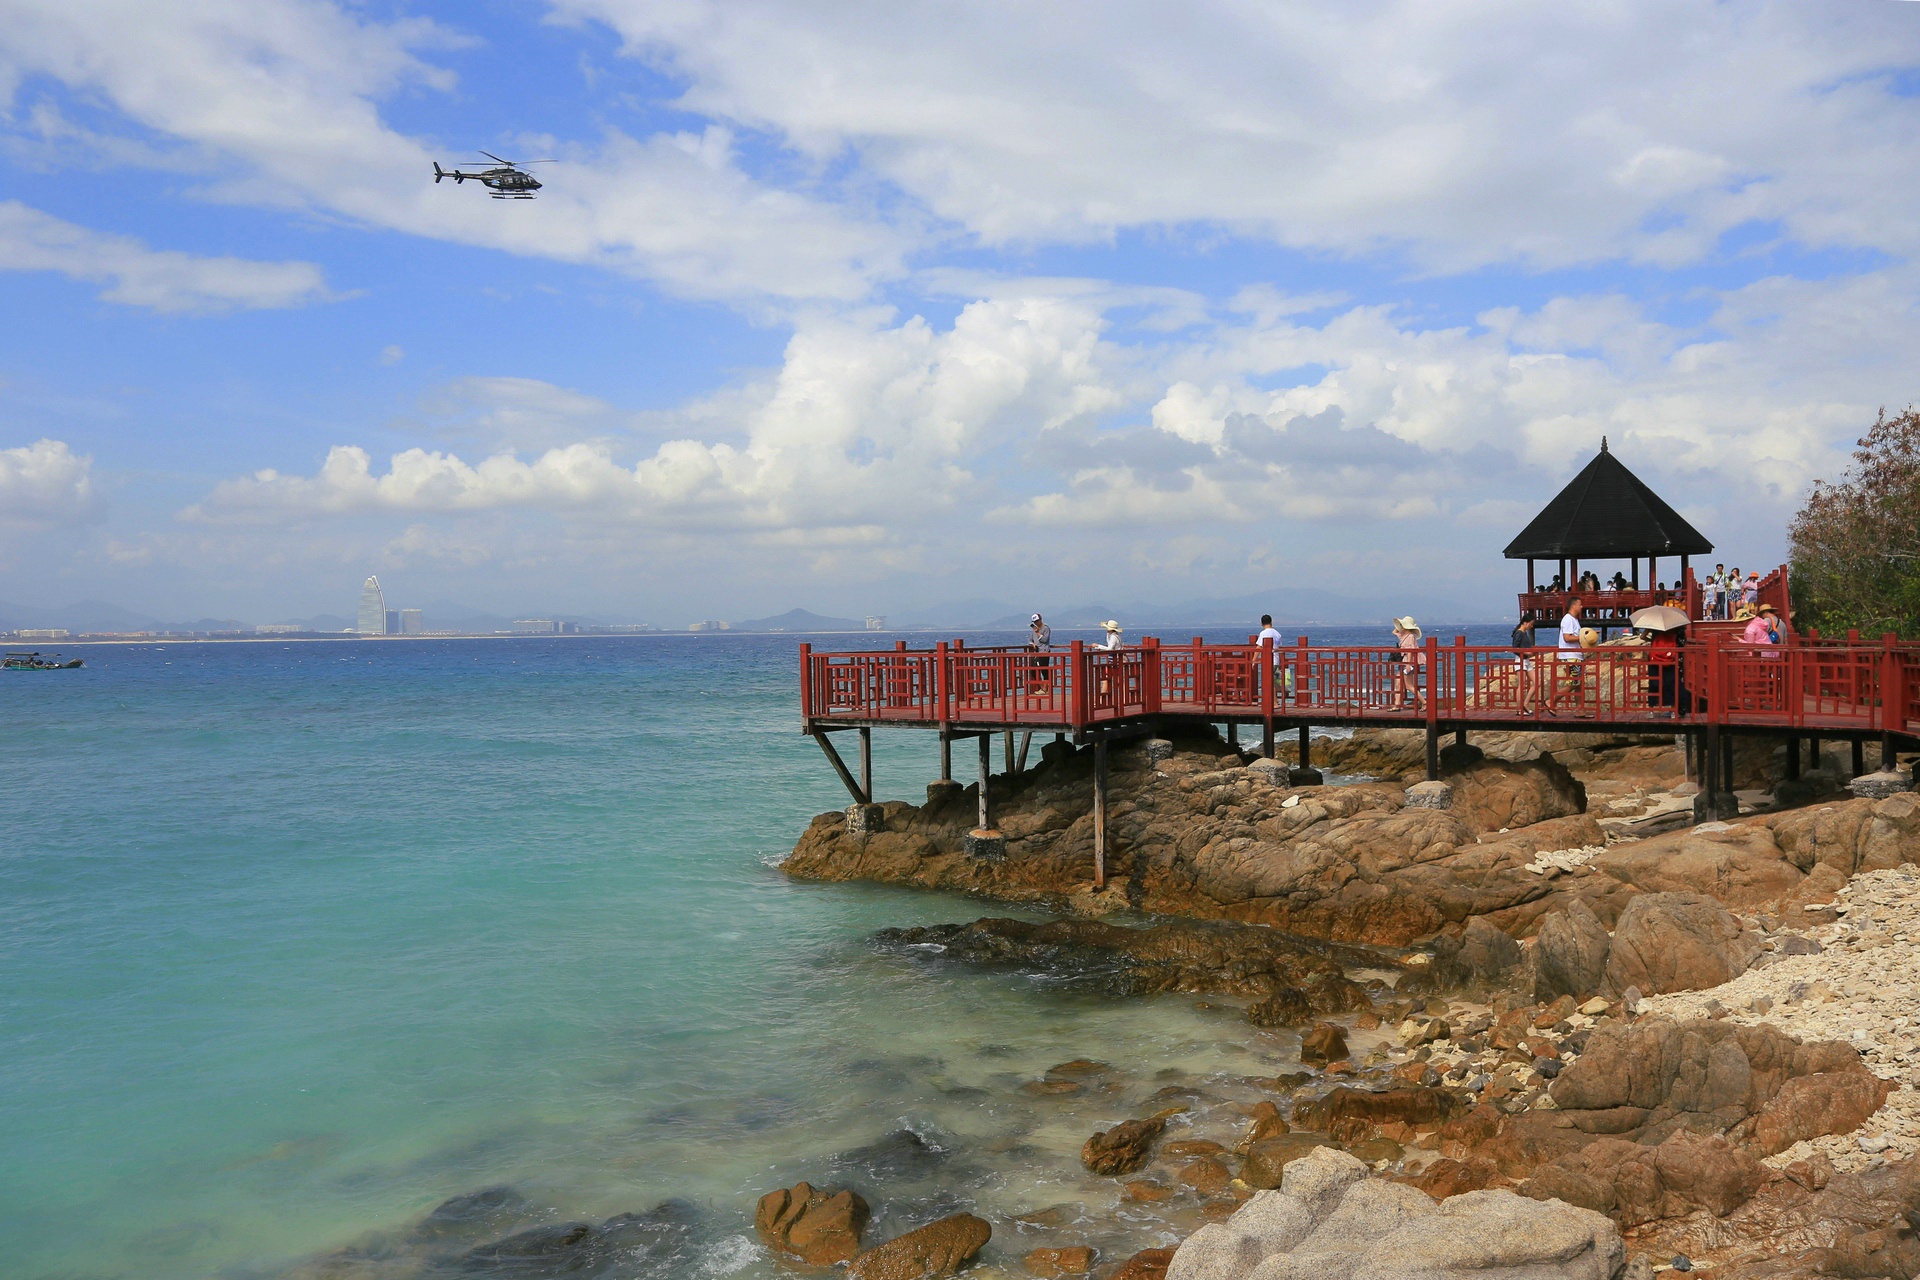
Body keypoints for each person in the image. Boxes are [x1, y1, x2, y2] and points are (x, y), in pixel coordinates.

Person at [1392, 616, 1425, 710]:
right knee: (1398, 684)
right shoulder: (1403, 635)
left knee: (1408, 685)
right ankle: (1397, 705)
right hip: (1402, 662)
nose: (1401, 626)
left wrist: (1408, 665)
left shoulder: (1410, 636)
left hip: (1408, 662)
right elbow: (1394, 632)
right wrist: (1399, 626)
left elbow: (1410, 651)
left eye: (1403, 624)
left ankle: (1424, 702)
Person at [1026, 613, 1052, 691]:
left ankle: (1045, 688)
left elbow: (1045, 640)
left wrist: (1038, 633)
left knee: (1044, 670)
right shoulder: (1034, 630)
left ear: (1040, 619)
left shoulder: (1046, 628)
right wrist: (1032, 644)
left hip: (1044, 651)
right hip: (1037, 652)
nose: (1036, 623)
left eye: (1037, 621)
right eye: (1034, 622)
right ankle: (1042, 687)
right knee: (1033, 670)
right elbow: (1030, 640)